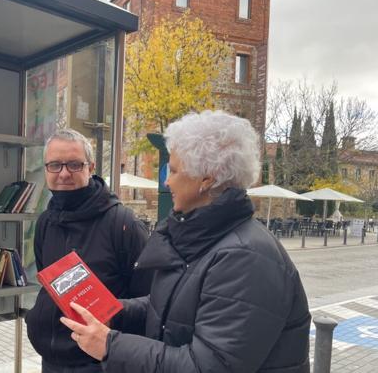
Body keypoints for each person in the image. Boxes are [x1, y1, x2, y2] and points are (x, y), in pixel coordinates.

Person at [61, 111, 311, 372]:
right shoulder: (205, 237)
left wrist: (111, 346)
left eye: (175, 170)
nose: (167, 180)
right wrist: (114, 311)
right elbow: (172, 307)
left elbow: (208, 366)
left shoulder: (245, 257)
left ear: (207, 180)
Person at [26, 128, 152, 373]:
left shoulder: (123, 224)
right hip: (51, 361)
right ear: (45, 169)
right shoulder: (45, 222)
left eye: (74, 164)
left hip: (99, 363)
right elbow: (48, 283)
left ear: (90, 167)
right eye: (54, 165)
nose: (63, 173)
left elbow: (149, 301)